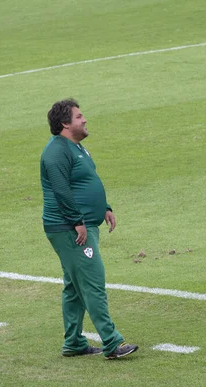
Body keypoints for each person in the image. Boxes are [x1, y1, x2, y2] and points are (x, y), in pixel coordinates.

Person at [40, 98, 138, 360]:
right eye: (79, 116)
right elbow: (61, 190)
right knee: (93, 283)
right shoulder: (56, 152)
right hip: (69, 229)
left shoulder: (77, 148)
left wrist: (104, 206)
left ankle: (73, 342)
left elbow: (87, 180)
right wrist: (77, 222)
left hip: (81, 225)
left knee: (74, 287)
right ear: (65, 123)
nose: (84, 120)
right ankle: (111, 342)